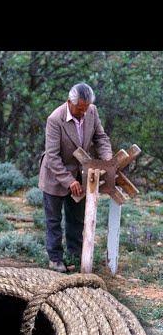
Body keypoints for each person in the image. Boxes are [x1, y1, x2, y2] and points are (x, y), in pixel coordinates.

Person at [38, 83, 112, 273]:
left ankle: (76, 255)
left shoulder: (92, 111)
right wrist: (68, 181)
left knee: (76, 219)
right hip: (55, 176)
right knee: (53, 220)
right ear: (69, 102)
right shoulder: (55, 119)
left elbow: (101, 138)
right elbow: (52, 157)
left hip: (80, 175)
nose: (83, 112)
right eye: (79, 109)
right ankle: (55, 260)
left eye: (85, 108)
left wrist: (108, 161)